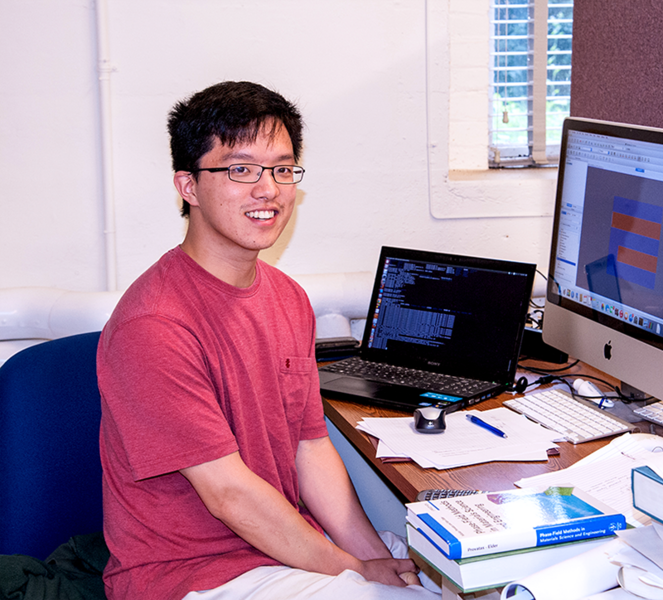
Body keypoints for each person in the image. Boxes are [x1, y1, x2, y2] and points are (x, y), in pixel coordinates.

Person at [97, 81, 439, 600]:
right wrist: (353, 571)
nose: (268, 189)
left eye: (282, 169)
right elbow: (229, 495)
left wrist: (374, 559)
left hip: (282, 549)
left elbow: (310, 447)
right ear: (187, 185)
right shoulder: (153, 326)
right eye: (240, 169)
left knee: (451, 575)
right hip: (193, 576)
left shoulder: (287, 298)